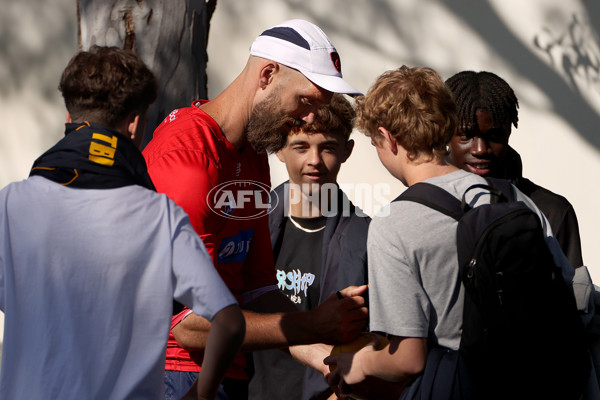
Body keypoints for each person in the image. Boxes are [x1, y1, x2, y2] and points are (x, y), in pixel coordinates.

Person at [0, 46, 245, 400]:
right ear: (134, 123)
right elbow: (229, 322)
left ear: (68, 115)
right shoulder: (161, 216)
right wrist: (199, 396)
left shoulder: (11, 204)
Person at [142, 19, 368, 400]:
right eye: (307, 102)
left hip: (226, 370)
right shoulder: (188, 159)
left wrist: (332, 360)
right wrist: (312, 324)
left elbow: (257, 288)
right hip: (175, 371)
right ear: (266, 75)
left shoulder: (252, 156)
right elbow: (187, 325)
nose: (309, 120)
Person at [323, 66, 576, 399]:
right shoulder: (512, 198)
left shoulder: (393, 224)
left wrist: (362, 362)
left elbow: (408, 359)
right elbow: (567, 290)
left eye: (375, 143)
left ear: (388, 138)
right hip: (532, 380)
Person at [248, 94, 370, 400]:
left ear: (347, 151)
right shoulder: (251, 227)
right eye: (301, 147)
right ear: (279, 150)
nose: (314, 160)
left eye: (327, 147)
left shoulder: (367, 238)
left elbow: (376, 344)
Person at [445, 70, 584, 270]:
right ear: (445, 132)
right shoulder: (426, 207)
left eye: (494, 135)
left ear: (509, 131)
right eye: (466, 135)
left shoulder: (552, 212)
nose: (480, 149)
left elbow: (575, 296)